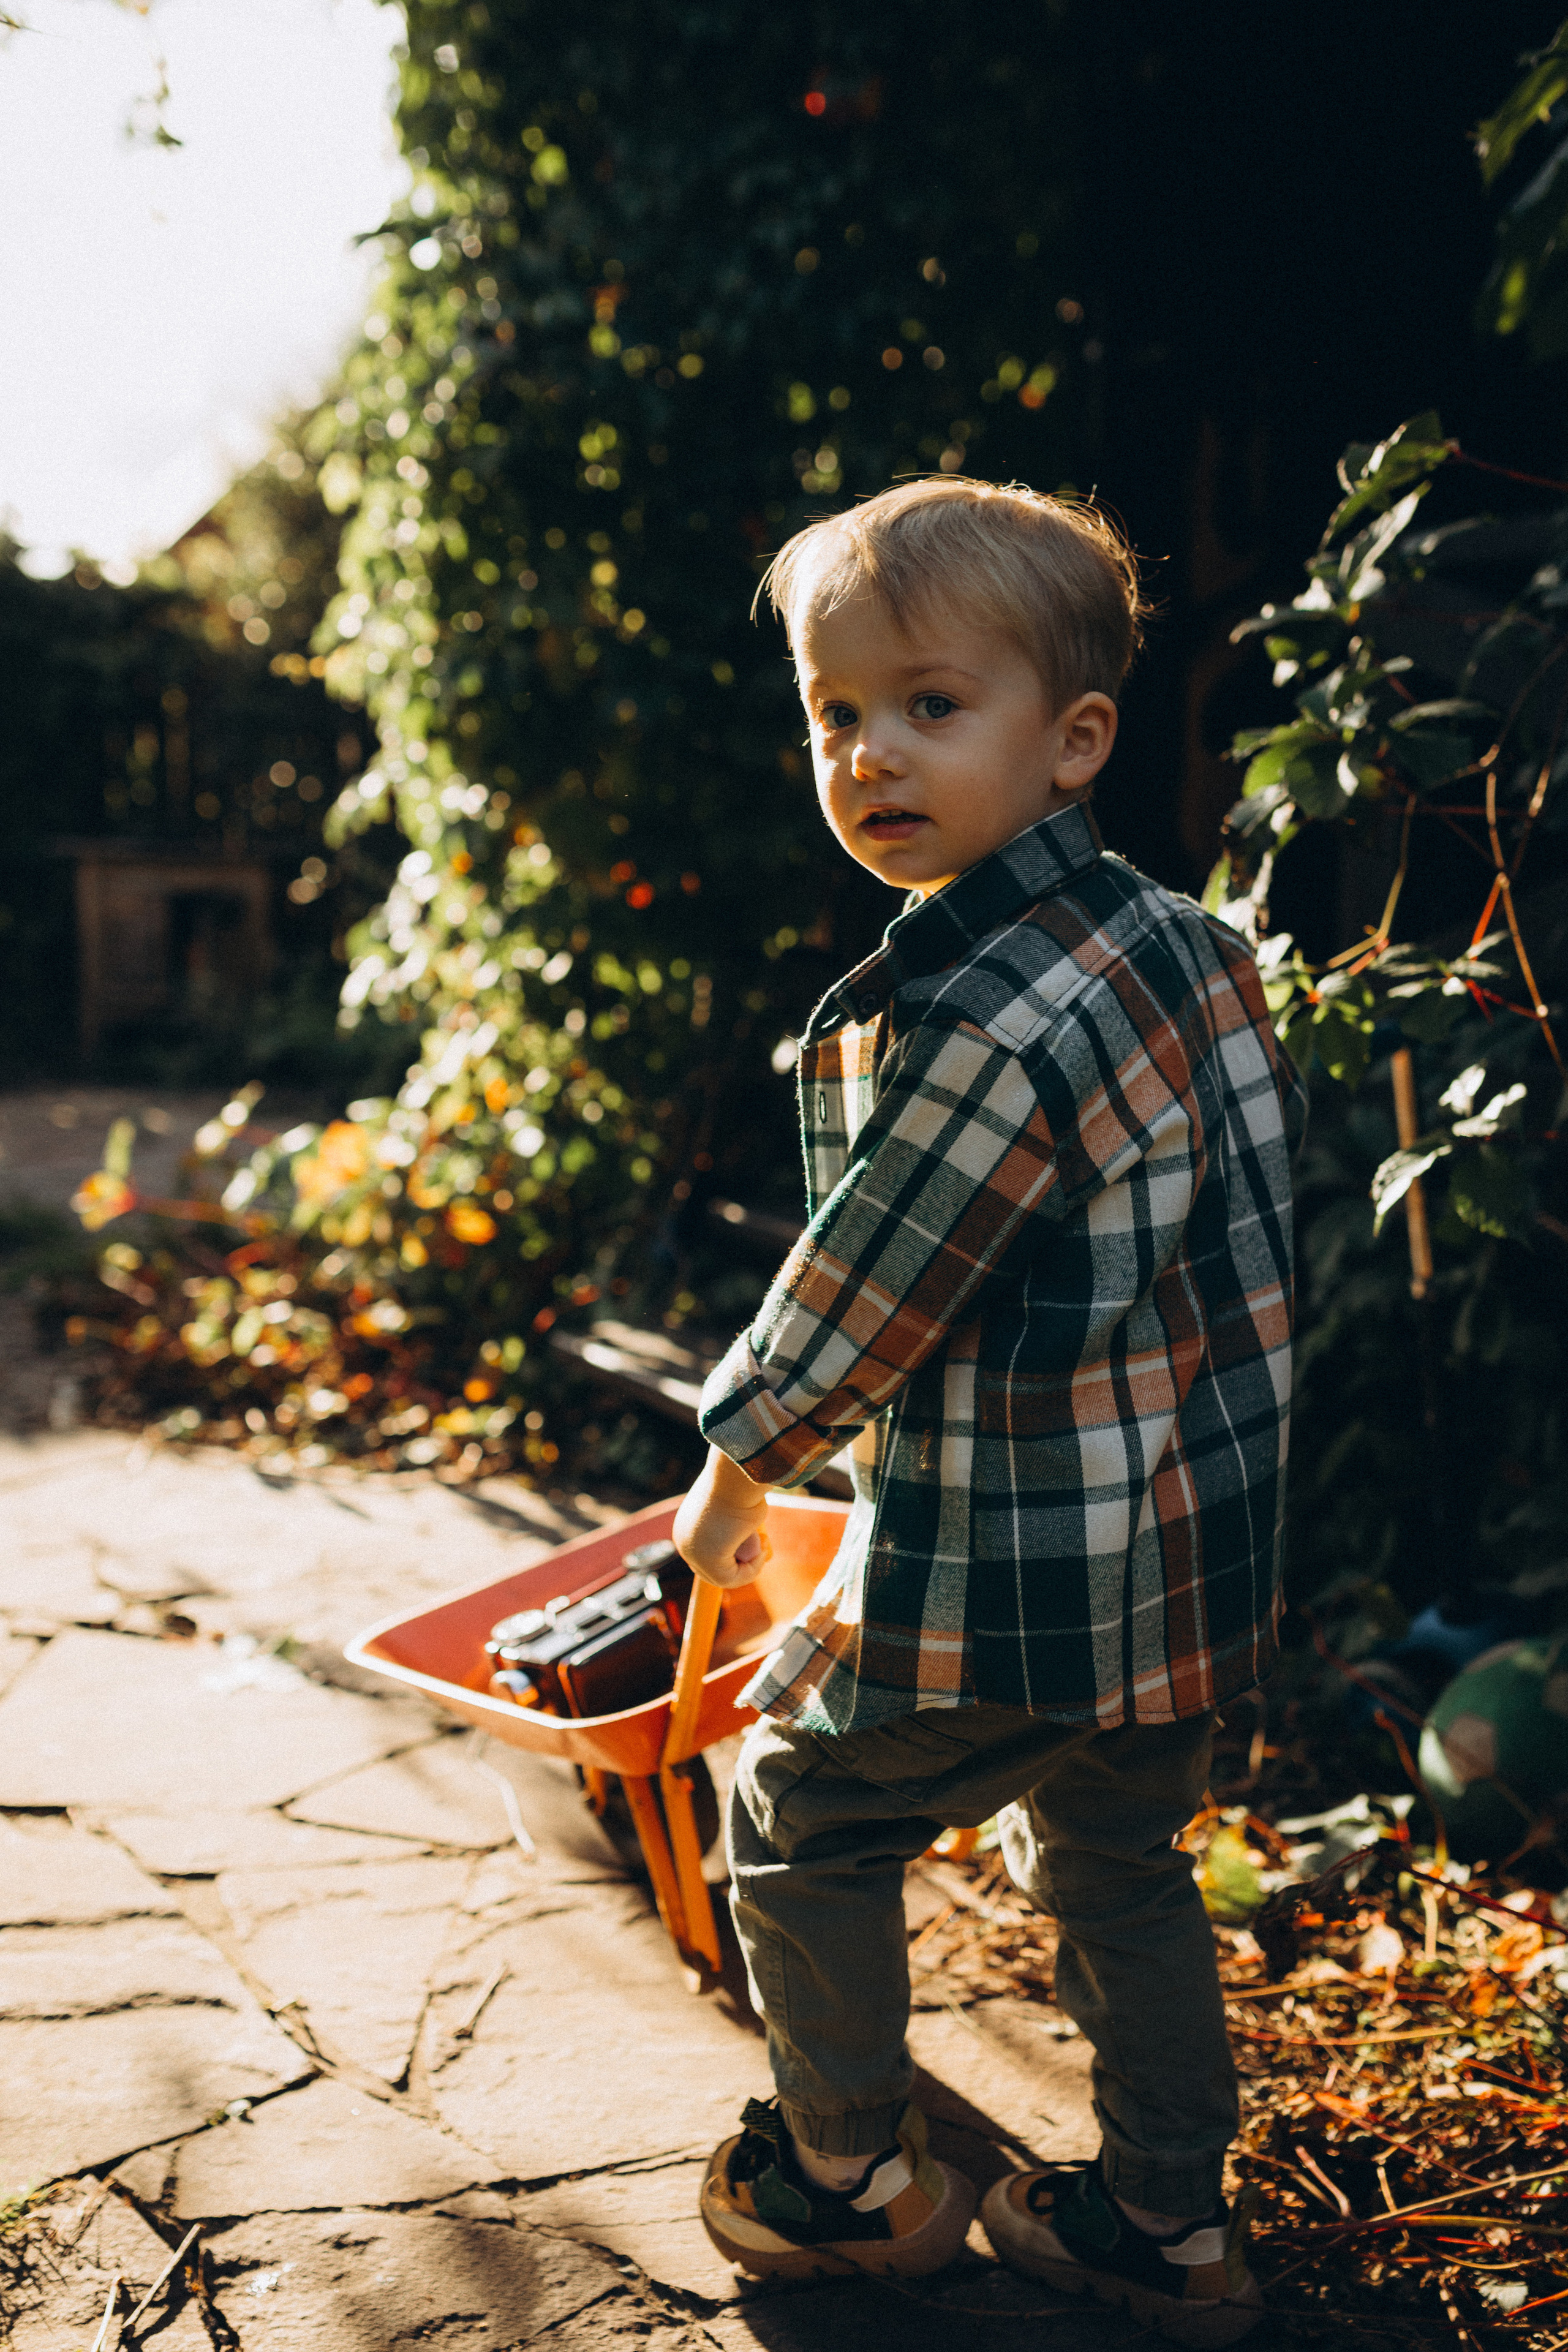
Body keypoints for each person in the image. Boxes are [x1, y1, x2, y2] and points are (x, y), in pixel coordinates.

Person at [673, 475, 1301, 2346]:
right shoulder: (1193, 945)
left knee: (798, 1811)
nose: (870, 752)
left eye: (930, 706)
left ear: (1073, 738)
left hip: (1027, 1564)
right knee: (1116, 1857)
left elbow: (867, 1289)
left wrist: (737, 1469)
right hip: (1187, 1550)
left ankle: (850, 2178)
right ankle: (1169, 2223)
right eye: (835, 713)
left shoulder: (989, 1016)